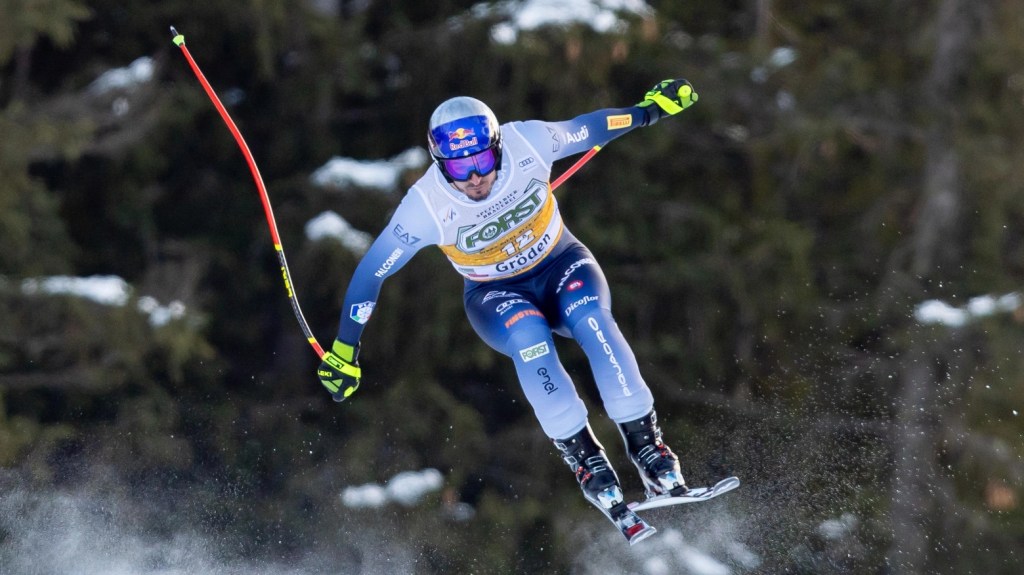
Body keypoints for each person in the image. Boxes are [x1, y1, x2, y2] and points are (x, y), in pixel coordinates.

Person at [317, 79, 699, 516]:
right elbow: (370, 274)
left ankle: (649, 449)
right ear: (440, 164)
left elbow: (590, 128)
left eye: (481, 160)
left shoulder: (527, 142)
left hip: (562, 264)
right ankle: (588, 462)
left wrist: (650, 110)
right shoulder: (424, 206)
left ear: (497, 147)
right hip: (494, 293)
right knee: (531, 342)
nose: (475, 177)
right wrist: (345, 349)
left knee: (594, 321)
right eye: (459, 168)